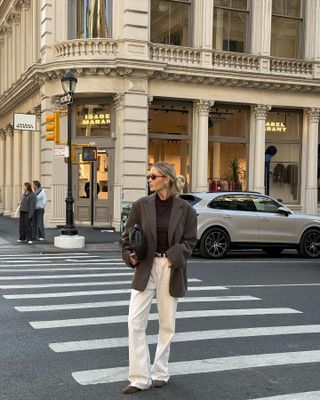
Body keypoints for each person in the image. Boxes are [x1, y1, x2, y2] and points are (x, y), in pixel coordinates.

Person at [122, 162, 197, 394]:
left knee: (167, 324)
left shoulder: (186, 209)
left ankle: (160, 372)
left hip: (170, 266)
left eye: (153, 176)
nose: (149, 179)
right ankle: (139, 378)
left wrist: (174, 257)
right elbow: (127, 238)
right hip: (145, 265)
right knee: (135, 322)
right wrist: (130, 256)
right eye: (148, 176)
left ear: (166, 179)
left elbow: (190, 241)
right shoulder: (140, 205)